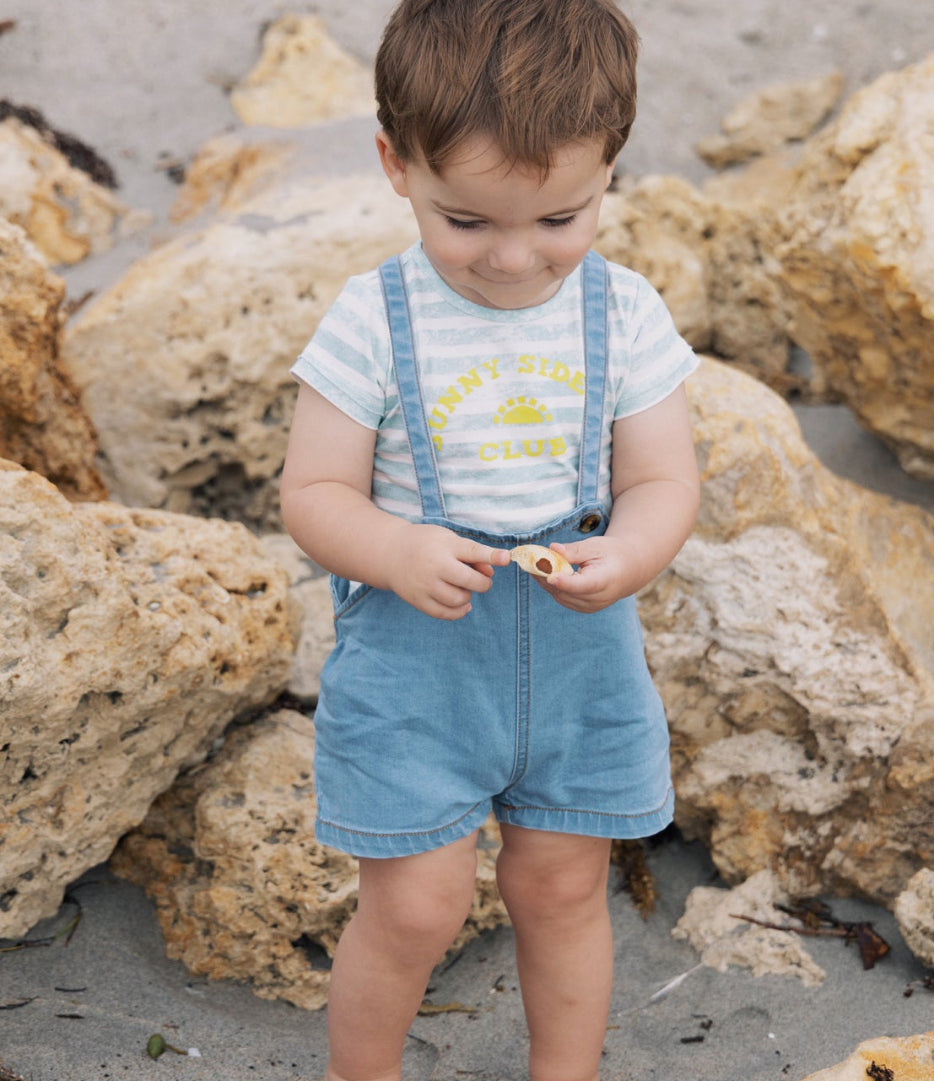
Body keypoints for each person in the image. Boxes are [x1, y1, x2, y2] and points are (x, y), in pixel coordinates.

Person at [279, 1, 700, 1078]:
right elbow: (315, 493)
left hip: (578, 652)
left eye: (561, 218)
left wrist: (631, 554)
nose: (515, 260)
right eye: (466, 222)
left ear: (609, 167)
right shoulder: (374, 318)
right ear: (396, 164)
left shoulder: (626, 312)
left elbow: (660, 478)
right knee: (415, 906)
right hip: (422, 655)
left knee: (561, 886)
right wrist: (394, 549)